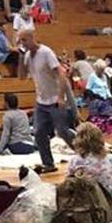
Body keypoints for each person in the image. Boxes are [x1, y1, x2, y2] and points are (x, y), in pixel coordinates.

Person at [18, 29, 75, 173]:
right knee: (38, 132)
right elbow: (21, 77)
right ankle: (48, 163)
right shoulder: (27, 56)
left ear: (32, 38)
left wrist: (61, 96)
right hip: (41, 101)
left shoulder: (46, 53)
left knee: (62, 131)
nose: (22, 43)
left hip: (55, 98)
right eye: (21, 40)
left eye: (24, 40)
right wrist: (20, 57)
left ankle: (83, 153)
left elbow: (61, 74)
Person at [69, 123, 112, 202]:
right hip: (110, 202)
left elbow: (70, 183)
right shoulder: (111, 158)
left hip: (85, 203)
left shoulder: (74, 161)